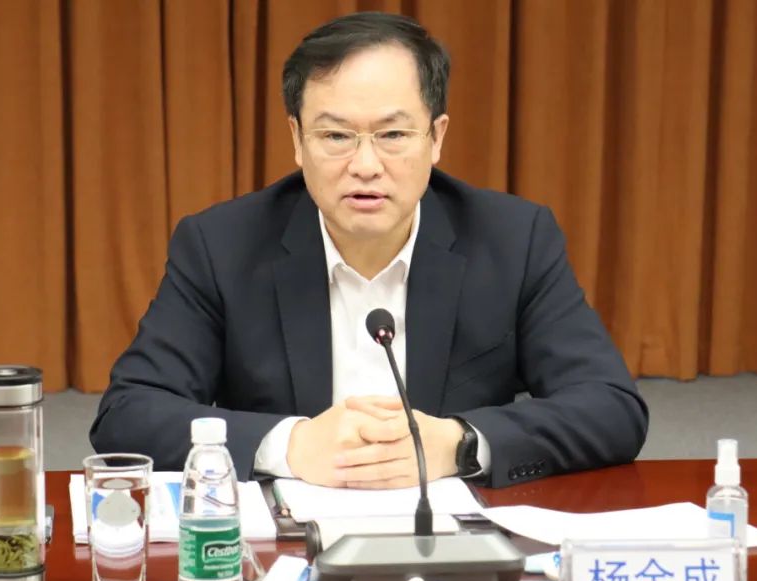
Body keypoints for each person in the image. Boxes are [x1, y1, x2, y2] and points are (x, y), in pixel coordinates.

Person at [90, 12, 648, 489]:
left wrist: (458, 442)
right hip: (288, 538)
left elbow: (611, 407)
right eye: (335, 136)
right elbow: (128, 414)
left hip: (451, 531)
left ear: (436, 138)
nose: (364, 165)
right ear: (297, 140)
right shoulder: (222, 245)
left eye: (393, 135)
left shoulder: (512, 239)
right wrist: (290, 445)